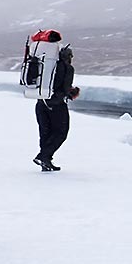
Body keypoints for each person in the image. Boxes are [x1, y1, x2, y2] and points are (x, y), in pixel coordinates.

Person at [33, 44, 80, 172]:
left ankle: (45, 161)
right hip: (57, 105)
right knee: (61, 132)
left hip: (41, 102)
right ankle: (44, 156)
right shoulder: (68, 68)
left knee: (45, 132)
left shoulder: (48, 67)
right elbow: (64, 88)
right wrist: (72, 92)